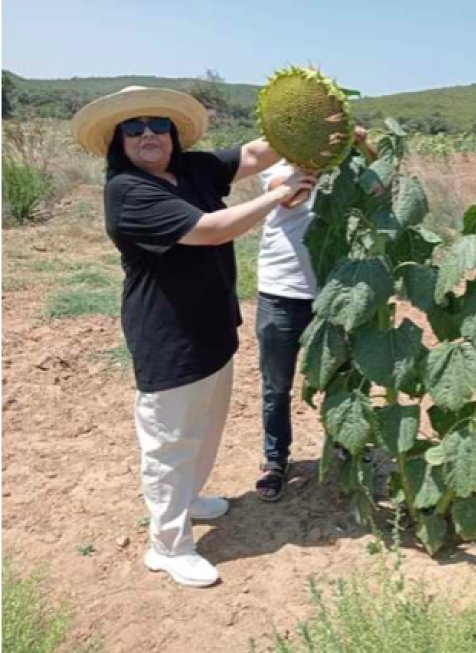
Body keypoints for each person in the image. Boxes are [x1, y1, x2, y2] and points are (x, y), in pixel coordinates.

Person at [71, 85, 318, 587]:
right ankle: (167, 544)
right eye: (134, 127)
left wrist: (307, 122)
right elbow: (211, 228)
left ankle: (188, 501)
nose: (148, 134)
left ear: (172, 134)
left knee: (204, 428)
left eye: (158, 125)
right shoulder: (128, 191)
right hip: (168, 337)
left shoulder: (191, 169)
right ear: (118, 140)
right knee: (169, 442)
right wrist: (277, 194)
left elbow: (251, 154)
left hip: (211, 327)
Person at [254, 127, 374, 501]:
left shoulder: (347, 167)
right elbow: (291, 196)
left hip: (338, 291)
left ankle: (344, 443)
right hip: (282, 290)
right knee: (277, 385)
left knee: (343, 377)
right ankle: (275, 460)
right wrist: (320, 154)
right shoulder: (280, 162)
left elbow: (378, 188)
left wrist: (363, 145)